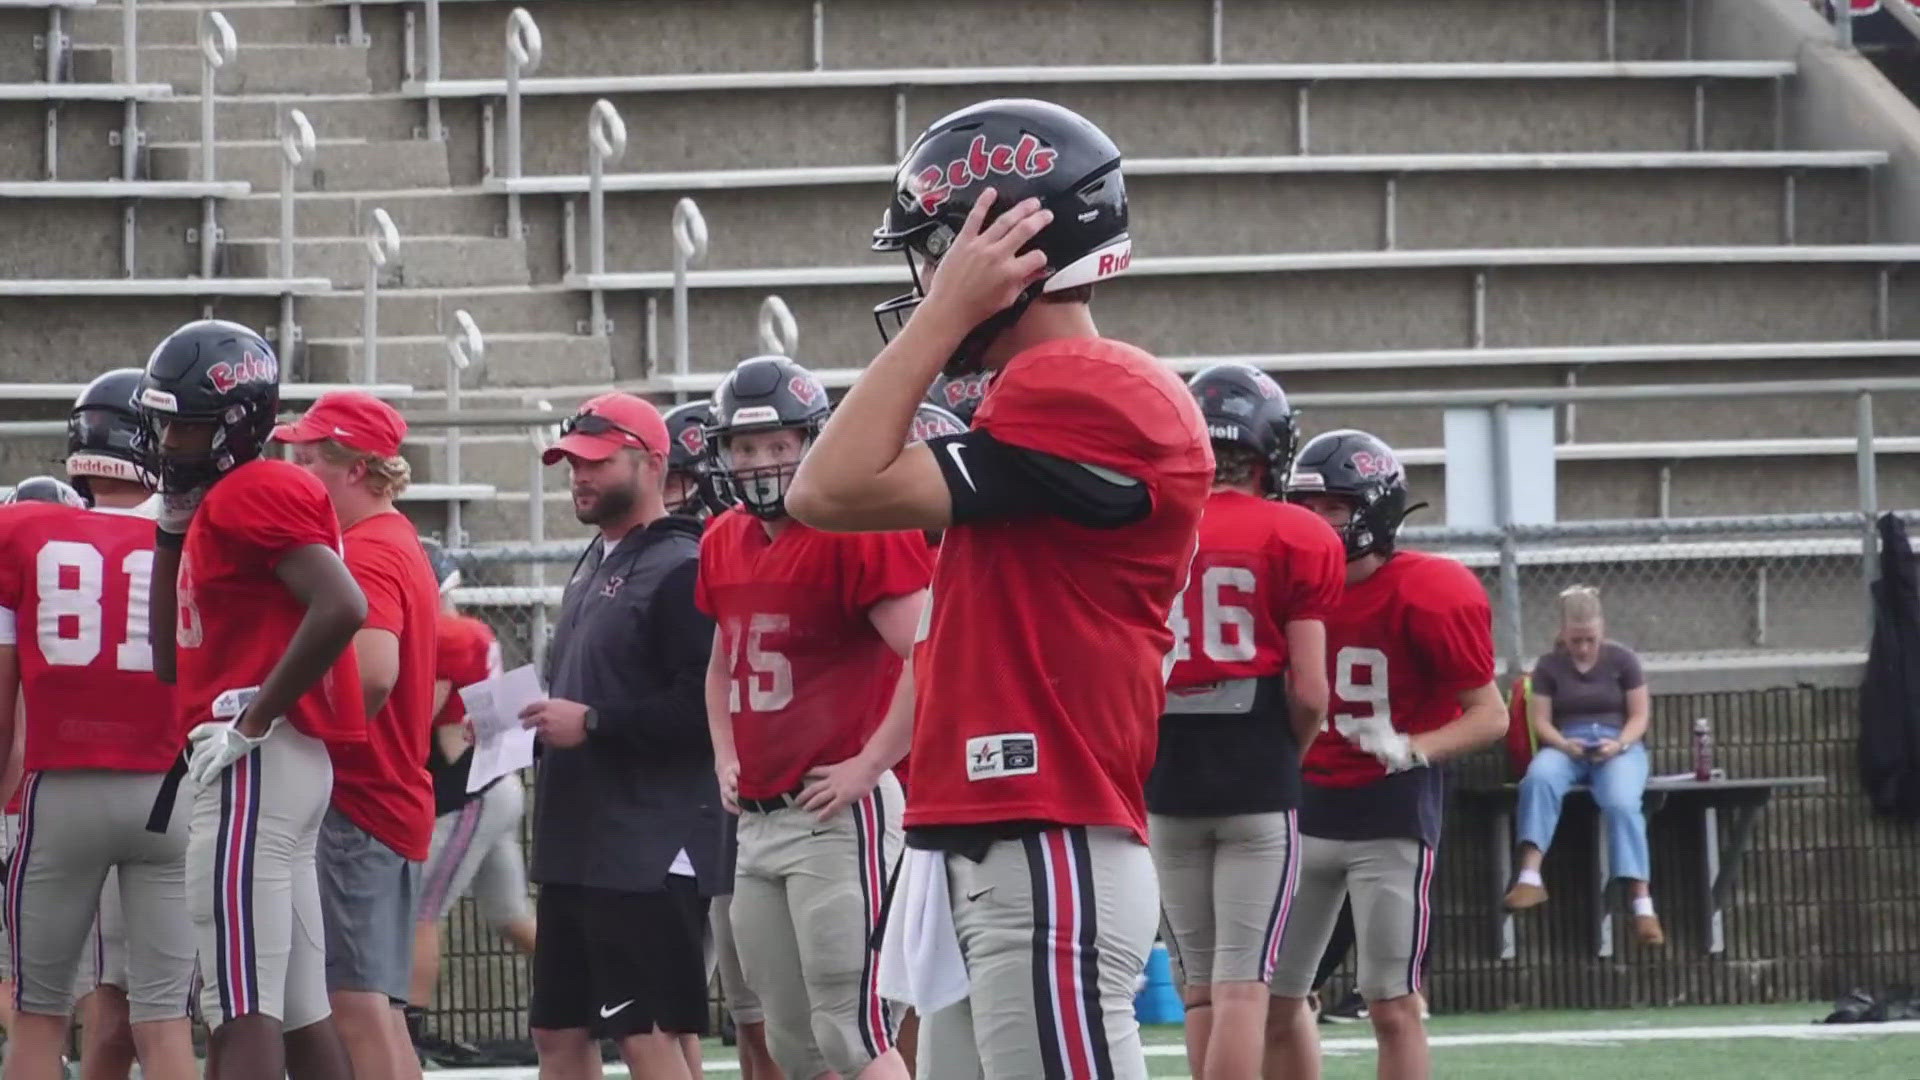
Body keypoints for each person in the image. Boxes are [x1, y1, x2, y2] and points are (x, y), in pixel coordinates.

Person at [787, 98, 1212, 1080]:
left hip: (1047, 832)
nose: (926, 276)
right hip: (1004, 835)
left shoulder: (1091, 386)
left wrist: (946, 315)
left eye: (940, 251)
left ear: (1014, 242)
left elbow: (825, 486)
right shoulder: (1054, 395)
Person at [137, 318, 367, 1080]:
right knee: (300, 1013)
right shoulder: (224, 500)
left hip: (254, 765)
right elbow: (169, 660)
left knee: (238, 1008)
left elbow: (343, 605)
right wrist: (171, 532)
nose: (168, 445)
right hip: (274, 765)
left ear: (236, 424)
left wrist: (254, 715)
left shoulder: (255, 489)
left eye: (186, 429)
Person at [699, 356, 930, 1080]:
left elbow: (932, 655)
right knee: (792, 1044)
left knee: (851, 1034)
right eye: (745, 447)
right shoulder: (722, 540)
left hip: (836, 816)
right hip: (760, 822)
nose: (760, 462)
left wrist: (871, 764)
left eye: (777, 446)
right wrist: (723, 755)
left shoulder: (856, 529)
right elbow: (721, 667)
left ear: (811, 441)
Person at [1261, 429, 1507, 1080]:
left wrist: (1413, 749)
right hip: (1303, 807)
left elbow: (1491, 714)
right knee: (1273, 999)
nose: (1313, 524)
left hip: (1389, 813)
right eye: (1304, 508)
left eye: (1332, 508)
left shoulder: (1431, 589)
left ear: (1374, 509)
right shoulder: (1285, 584)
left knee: (1389, 1001)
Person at [2, 375, 201, 1080]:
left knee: (39, 1014)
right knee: (164, 1020)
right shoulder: (192, 534)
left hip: (63, 792)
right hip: (170, 795)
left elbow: (4, 697)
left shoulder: (22, 531)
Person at [519, 392, 722, 1080]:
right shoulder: (598, 562)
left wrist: (594, 723)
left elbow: (703, 709)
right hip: (580, 844)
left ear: (652, 462)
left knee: (647, 1032)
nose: (580, 475)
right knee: (557, 1031)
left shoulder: (681, 565)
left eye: (598, 462)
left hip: (647, 844)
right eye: (573, 462)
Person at [1150, 364, 1342, 1080]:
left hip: (1165, 770)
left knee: (1197, 986)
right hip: (1257, 766)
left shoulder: (1150, 525)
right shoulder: (1297, 533)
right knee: (1242, 983)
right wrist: (1281, 750)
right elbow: (1314, 690)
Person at [273, 391, 441, 1080]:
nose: (297, 471)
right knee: (376, 1006)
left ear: (356, 469)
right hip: (383, 796)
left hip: (359, 797)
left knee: (355, 1006)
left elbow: (372, 674)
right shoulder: (392, 540)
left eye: (311, 459)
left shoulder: (369, 550)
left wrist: (281, 714)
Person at [405, 538, 536, 1066]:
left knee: (417, 909)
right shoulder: (472, 630)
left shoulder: (445, 634)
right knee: (510, 915)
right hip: (496, 783)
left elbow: (421, 724)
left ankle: (409, 1026)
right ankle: (600, 998)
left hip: (469, 793)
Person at [1505, 586, 1663, 945]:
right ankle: (1529, 876)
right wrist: (1564, 744)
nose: (1583, 648)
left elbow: (1639, 716)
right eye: (1576, 640)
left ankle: (1641, 902)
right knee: (1539, 778)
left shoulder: (1623, 661)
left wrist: (1619, 743)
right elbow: (1541, 721)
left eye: (1590, 639)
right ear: (1563, 632)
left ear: (1602, 629)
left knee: (1622, 802)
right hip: (1567, 744)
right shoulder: (1548, 666)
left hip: (1618, 744)